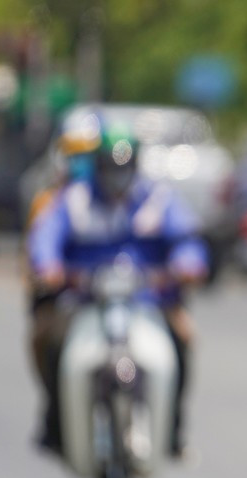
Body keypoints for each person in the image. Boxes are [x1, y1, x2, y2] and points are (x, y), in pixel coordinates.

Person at [26, 120, 207, 456]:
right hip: (84, 300)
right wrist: (48, 265)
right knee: (46, 338)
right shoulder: (75, 199)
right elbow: (46, 237)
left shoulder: (156, 199)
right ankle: (54, 418)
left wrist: (188, 264)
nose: (117, 176)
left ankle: (174, 428)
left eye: (123, 167)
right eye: (110, 167)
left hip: (148, 300)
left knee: (183, 337)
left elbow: (187, 240)